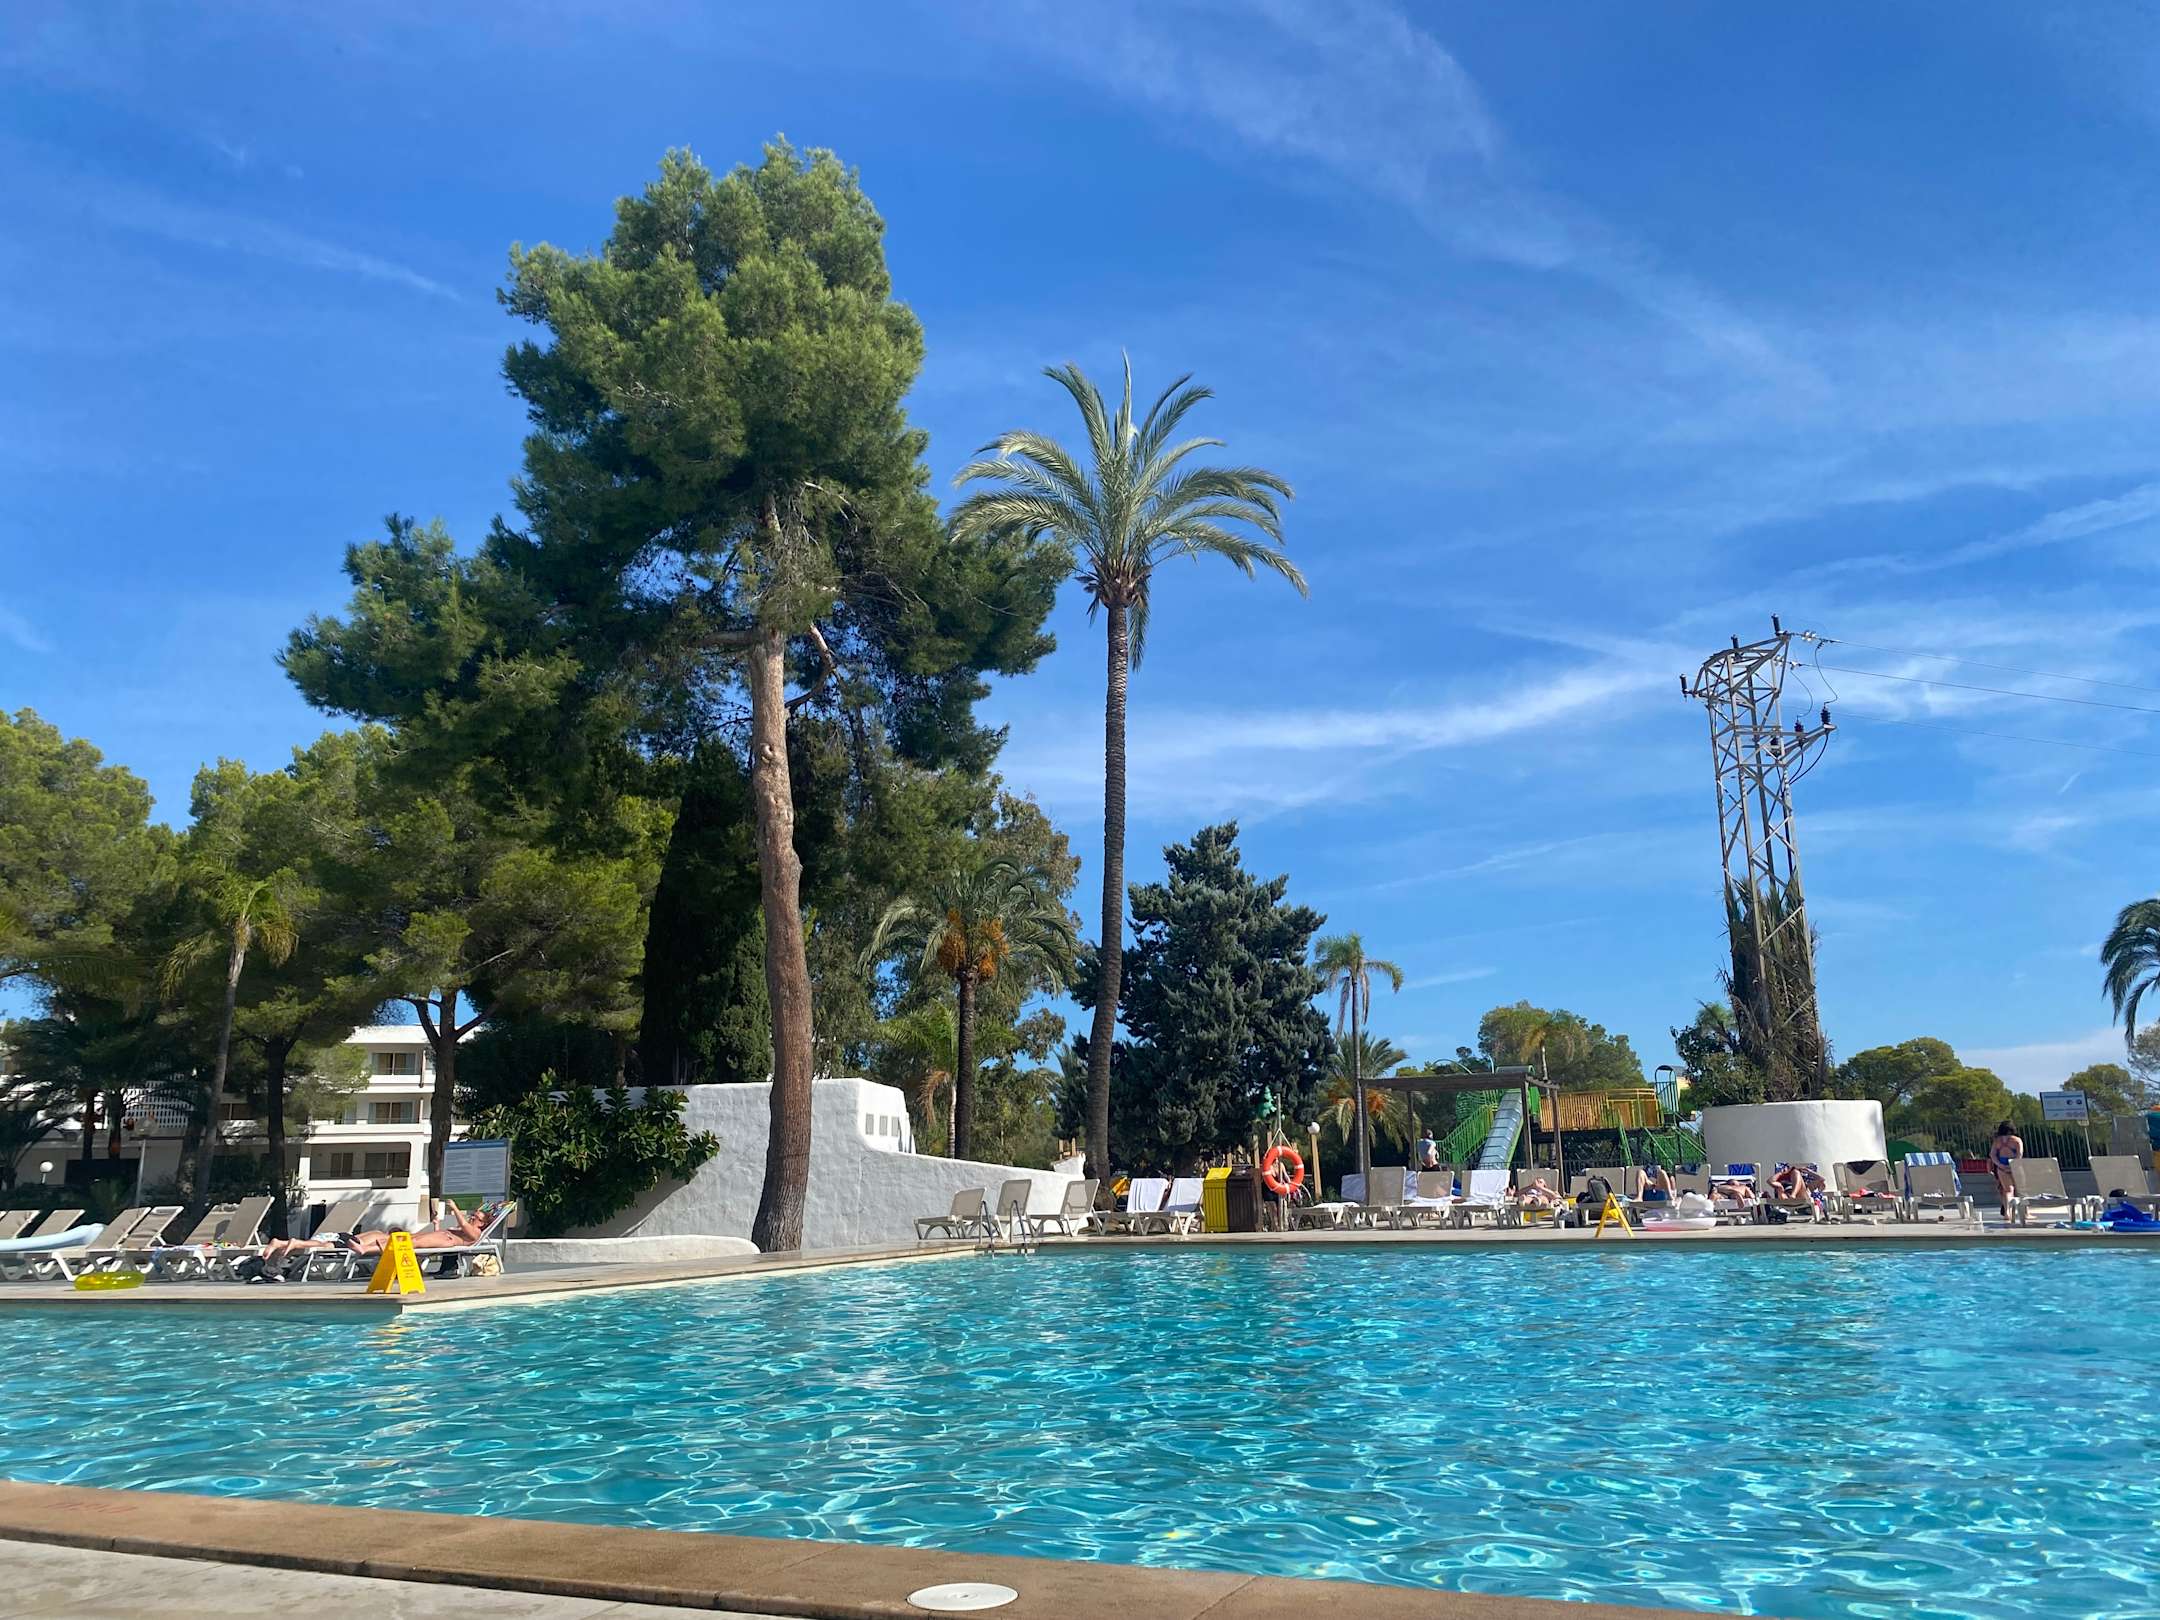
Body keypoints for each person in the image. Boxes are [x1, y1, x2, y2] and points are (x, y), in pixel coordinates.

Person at [1988, 1120, 2024, 1221]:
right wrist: (2012, 1166)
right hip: (2015, 1165)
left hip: (2002, 1166)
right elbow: (2019, 1154)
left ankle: (2007, 1212)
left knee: (2008, 1190)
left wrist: (2000, 1165)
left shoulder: (1997, 1141)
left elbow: (1992, 1155)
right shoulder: (2016, 1140)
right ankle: (2025, 1213)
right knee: (2021, 1191)